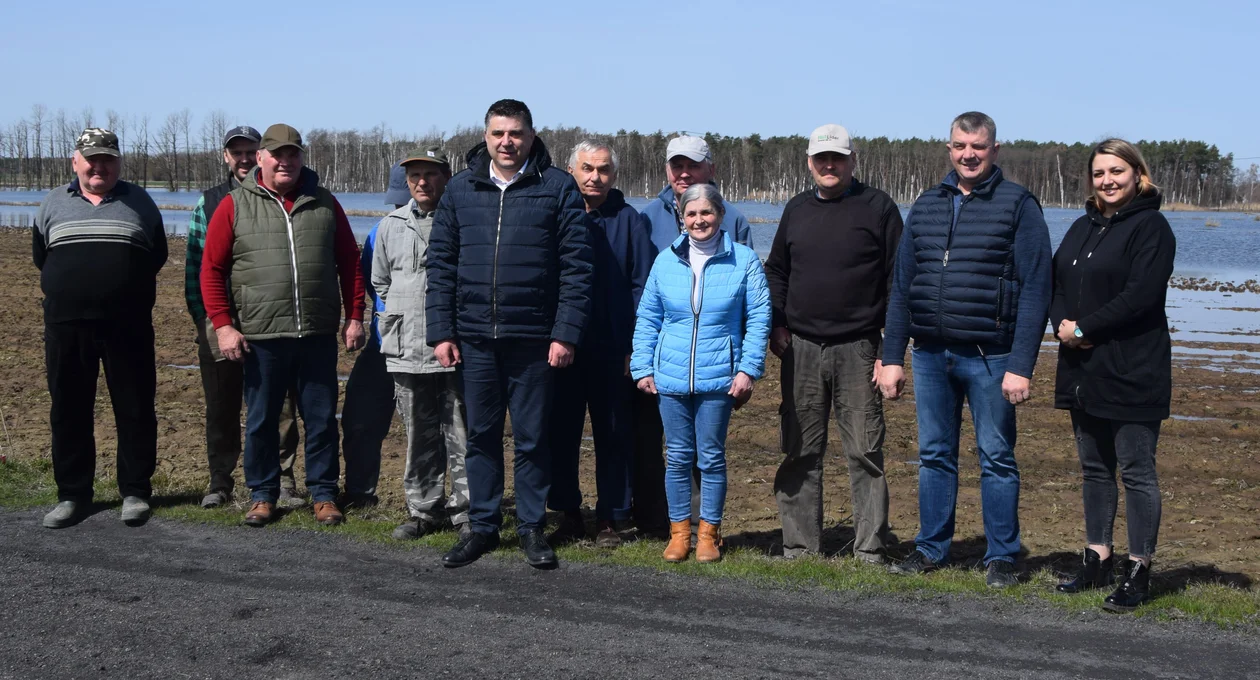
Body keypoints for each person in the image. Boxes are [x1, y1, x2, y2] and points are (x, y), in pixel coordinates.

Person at [879, 111, 1052, 587]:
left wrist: (1021, 364)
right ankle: (932, 548)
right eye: (959, 146)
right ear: (949, 149)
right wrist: (892, 355)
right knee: (934, 453)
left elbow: (1037, 287)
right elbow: (903, 285)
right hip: (931, 353)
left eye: (977, 146)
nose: (968, 155)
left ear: (994, 150)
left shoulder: (1018, 204)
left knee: (996, 456)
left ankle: (1002, 556)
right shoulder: (928, 203)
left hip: (990, 356)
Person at [426, 99, 593, 569]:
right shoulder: (460, 190)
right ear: (486, 136)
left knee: (532, 437)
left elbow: (577, 270)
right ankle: (482, 526)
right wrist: (442, 331)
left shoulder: (557, 187)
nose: (507, 142)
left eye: (515, 133)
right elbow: (440, 266)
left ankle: (531, 527)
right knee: (479, 434)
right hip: (475, 338)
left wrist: (565, 334)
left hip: (535, 339)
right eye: (498, 133)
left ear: (530, 135)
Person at [201, 123, 366, 528]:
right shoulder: (235, 205)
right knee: (261, 419)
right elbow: (212, 269)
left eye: (293, 154)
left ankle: (324, 493)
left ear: (301, 158)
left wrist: (355, 316)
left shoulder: (325, 203)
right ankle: (262, 494)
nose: (285, 161)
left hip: (316, 334)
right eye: (277, 154)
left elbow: (350, 263)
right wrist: (224, 326)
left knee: (323, 417)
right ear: (261, 158)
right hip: (261, 337)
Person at [765, 124, 903, 563]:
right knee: (800, 449)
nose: (829, 165)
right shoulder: (796, 209)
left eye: (837, 158)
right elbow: (777, 272)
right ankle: (800, 547)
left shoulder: (878, 207)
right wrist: (778, 324)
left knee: (865, 450)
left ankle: (869, 549)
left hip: (859, 347)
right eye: (821, 159)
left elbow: (898, 281)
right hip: (800, 347)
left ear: (852, 160)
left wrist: (890, 351)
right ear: (809, 162)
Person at [1050, 139, 1175, 612]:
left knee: (1137, 472)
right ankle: (1096, 558)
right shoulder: (1083, 226)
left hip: (1133, 368)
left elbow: (1141, 294)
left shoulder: (1152, 227)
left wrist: (1085, 327)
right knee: (1095, 469)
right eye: (1099, 173)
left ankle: (1138, 570)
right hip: (1083, 368)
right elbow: (1057, 282)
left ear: (1137, 174)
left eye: (1117, 171)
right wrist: (1062, 326)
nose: (1108, 180)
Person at [35, 127, 168, 528]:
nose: (99, 166)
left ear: (118, 162)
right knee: (69, 409)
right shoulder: (54, 202)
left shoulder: (140, 202)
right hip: (66, 326)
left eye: (108, 158)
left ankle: (135, 492)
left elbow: (156, 254)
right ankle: (73, 495)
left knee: (135, 408)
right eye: (91, 158)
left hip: (127, 326)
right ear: (75, 161)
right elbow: (43, 255)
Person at [631, 183, 770, 563]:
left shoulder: (743, 260)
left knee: (710, 457)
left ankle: (709, 533)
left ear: (721, 215)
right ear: (682, 219)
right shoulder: (666, 260)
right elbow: (648, 317)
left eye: (706, 212)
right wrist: (642, 365)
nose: (699, 220)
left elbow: (758, 319)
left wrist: (748, 370)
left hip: (719, 377)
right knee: (676, 457)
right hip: (671, 376)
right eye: (691, 214)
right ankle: (680, 533)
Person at [185, 125, 305, 510]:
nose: (243, 158)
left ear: (263, 155)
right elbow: (195, 268)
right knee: (221, 403)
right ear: (225, 156)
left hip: (269, 321)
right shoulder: (210, 202)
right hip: (220, 321)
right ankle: (220, 480)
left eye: (250, 150)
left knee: (280, 405)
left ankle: (283, 478)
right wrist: (209, 321)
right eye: (235, 151)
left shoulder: (280, 196)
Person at [546, 140, 655, 549]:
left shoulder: (630, 221)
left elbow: (643, 286)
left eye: (603, 170)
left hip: (613, 348)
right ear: (572, 170)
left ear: (615, 174)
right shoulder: (557, 213)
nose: (595, 177)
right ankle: (568, 513)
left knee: (613, 434)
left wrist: (636, 346)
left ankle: (611, 516)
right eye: (587, 168)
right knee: (561, 431)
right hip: (562, 346)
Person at [371, 147, 470, 540]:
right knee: (417, 432)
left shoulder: (461, 220)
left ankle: (465, 511)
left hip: (453, 345)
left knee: (461, 430)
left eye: (430, 174)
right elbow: (381, 282)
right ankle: (423, 509)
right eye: (415, 176)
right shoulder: (390, 225)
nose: (422, 182)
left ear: (446, 177)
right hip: (405, 347)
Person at [338, 163, 407, 510]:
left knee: (431, 431)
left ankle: (429, 504)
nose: (401, 208)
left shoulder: (447, 229)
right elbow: (369, 283)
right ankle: (360, 494)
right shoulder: (379, 232)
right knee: (360, 419)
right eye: (397, 202)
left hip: (426, 349)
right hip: (383, 345)